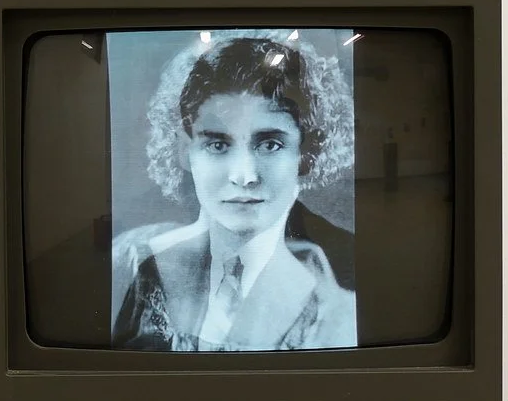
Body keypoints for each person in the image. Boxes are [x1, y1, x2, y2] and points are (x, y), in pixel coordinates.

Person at [111, 32, 357, 351]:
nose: (244, 176)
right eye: (217, 145)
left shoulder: (335, 314)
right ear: (185, 150)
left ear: (307, 153)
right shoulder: (130, 259)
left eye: (270, 144)